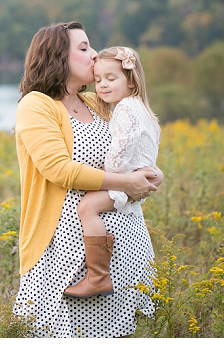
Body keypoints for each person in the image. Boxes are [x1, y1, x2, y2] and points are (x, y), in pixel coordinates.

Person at [12, 22, 163, 337]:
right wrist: (126, 184)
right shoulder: (37, 105)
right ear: (58, 58)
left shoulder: (98, 102)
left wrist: (151, 172)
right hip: (65, 251)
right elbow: (60, 171)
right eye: (83, 48)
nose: (94, 55)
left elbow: (133, 142)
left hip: (125, 244)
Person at [63, 46, 161, 298]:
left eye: (111, 78)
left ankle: (97, 276)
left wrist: (109, 175)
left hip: (124, 179)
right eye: (97, 80)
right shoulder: (141, 107)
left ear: (130, 80)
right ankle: (100, 274)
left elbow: (120, 148)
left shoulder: (125, 109)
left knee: (86, 207)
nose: (102, 85)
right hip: (140, 174)